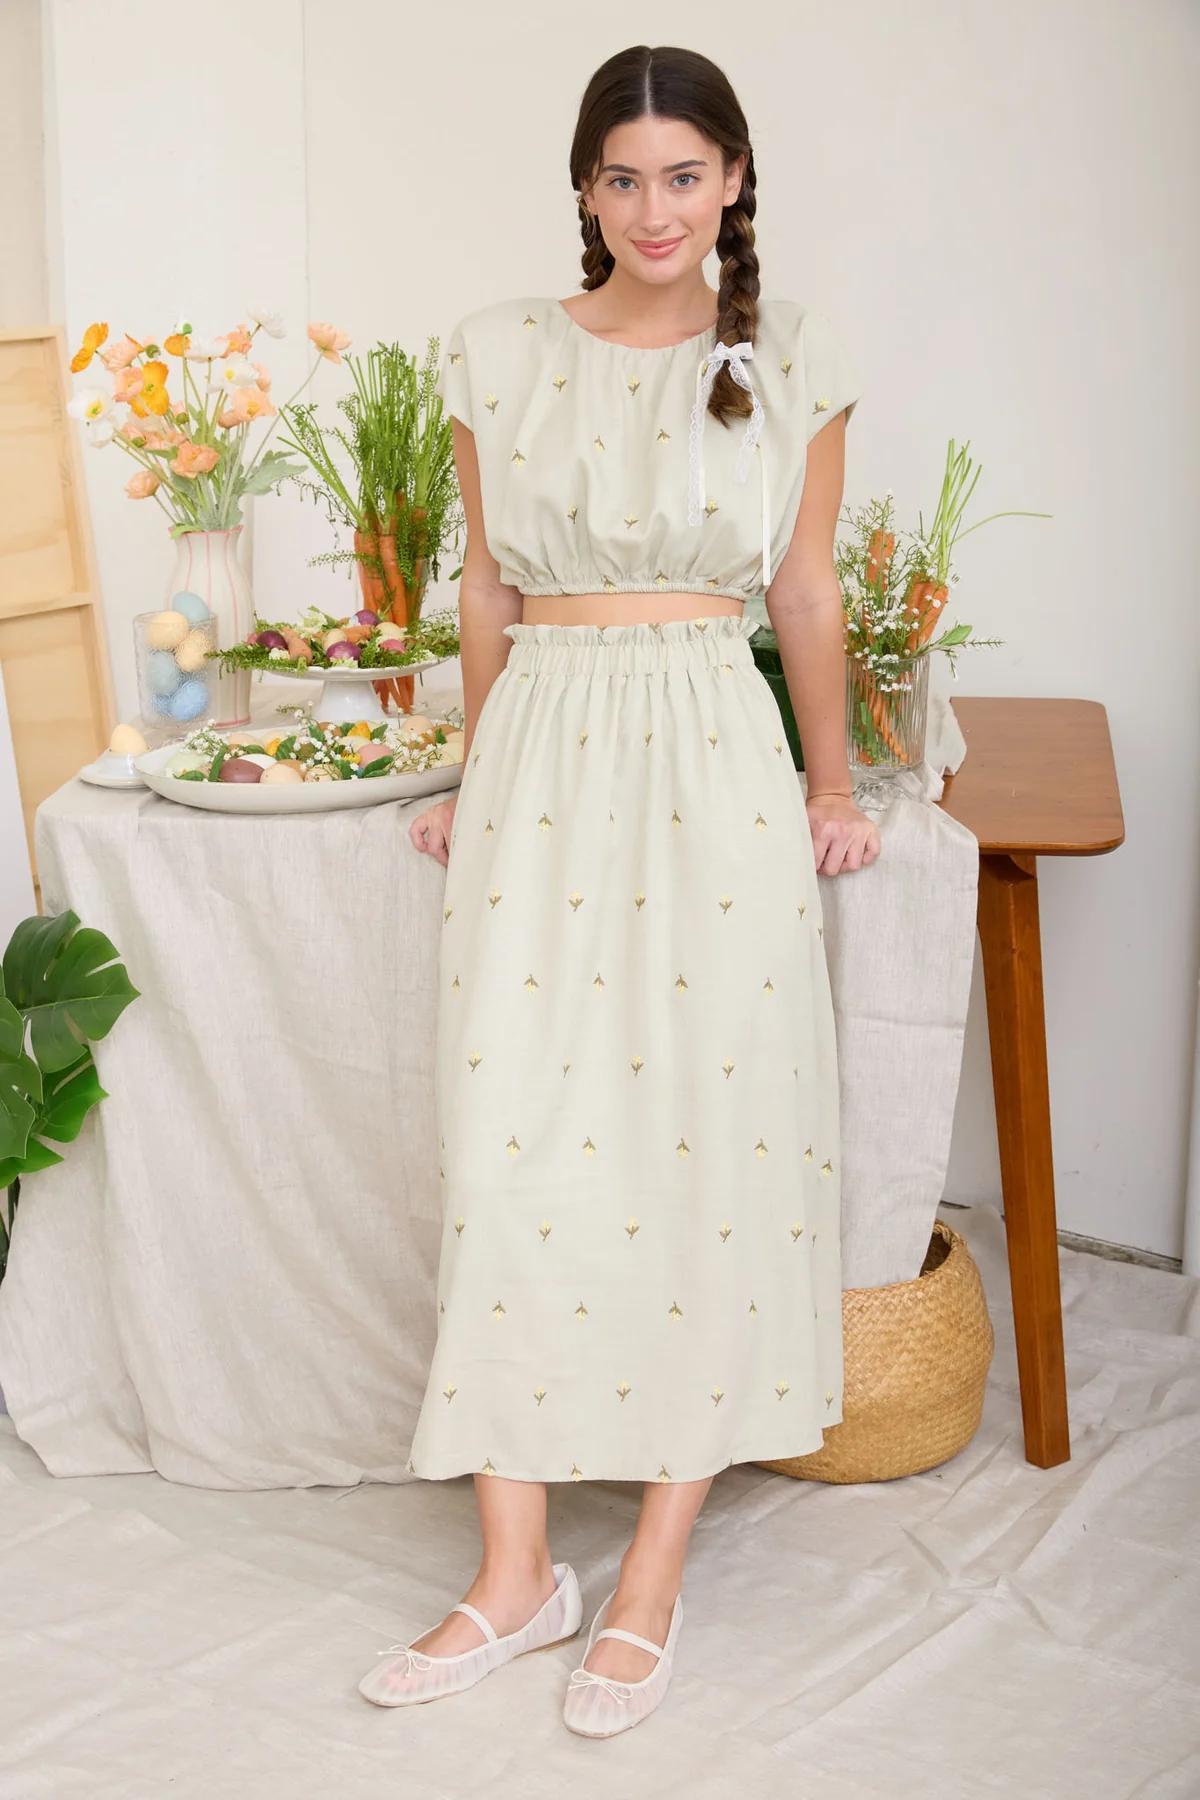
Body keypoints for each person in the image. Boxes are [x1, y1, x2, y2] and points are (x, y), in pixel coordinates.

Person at [358, 43, 881, 1739]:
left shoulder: (791, 355)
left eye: (685, 173)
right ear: (583, 190)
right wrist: (477, 773)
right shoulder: (501, 353)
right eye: (622, 176)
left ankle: (650, 1567)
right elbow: (486, 593)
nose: (655, 208)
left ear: (733, 178)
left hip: (712, 759)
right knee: (508, 1139)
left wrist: (831, 781)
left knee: (703, 1149)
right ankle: (519, 1573)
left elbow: (803, 593)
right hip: (550, 756)